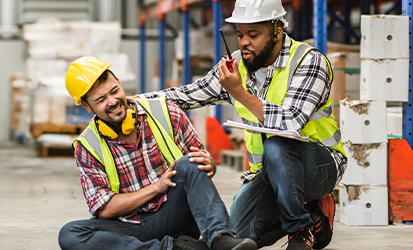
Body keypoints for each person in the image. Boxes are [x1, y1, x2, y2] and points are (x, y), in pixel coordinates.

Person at [139, 0, 346, 250]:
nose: (244, 42)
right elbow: (188, 94)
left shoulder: (308, 61)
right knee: (236, 236)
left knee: (277, 145)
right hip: (268, 173)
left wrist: (239, 92)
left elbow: (291, 121)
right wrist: (134, 102)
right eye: (239, 34)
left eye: (253, 34)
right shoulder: (236, 65)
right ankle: (313, 215)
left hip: (319, 165)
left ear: (277, 31)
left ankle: (300, 231)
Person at [57, 56, 257, 250]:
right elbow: (105, 209)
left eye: (114, 91)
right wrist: (157, 187)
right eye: (100, 99)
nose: (112, 101)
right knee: (70, 234)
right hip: (127, 226)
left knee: (190, 162)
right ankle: (173, 248)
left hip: (174, 215)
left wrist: (208, 164)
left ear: (118, 81)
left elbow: (202, 165)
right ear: (86, 106)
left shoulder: (165, 111)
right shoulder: (87, 146)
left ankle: (221, 240)